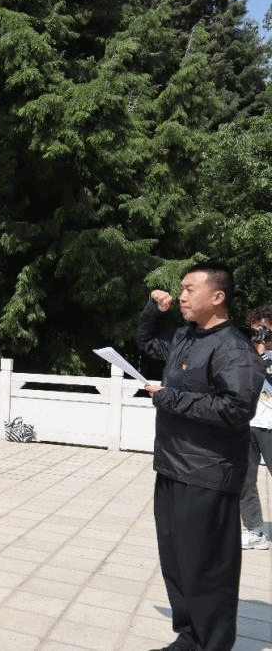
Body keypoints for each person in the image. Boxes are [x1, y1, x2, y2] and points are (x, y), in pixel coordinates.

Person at [138, 261, 264, 651]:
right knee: (178, 563)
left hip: (207, 473)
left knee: (206, 567)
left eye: (190, 289)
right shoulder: (185, 337)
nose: (182, 296)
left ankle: (211, 643)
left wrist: (170, 398)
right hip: (172, 466)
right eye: (181, 289)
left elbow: (236, 409)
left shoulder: (234, 348)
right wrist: (152, 311)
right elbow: (147, 343)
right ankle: (190, 637)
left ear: (218, 296)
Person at [241, 306, 272, 550]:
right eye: (255, 330)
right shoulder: (247, 355)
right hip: (248, 425)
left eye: (265, 330)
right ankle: (254, 531)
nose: (260, 334)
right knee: (245, 480)